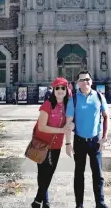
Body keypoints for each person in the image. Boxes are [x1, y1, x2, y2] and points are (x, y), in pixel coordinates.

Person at [65, 70, 110, 208]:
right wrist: (67, 143)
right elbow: (69, 122)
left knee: (98, 174)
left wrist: (104, 137)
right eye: (82, 80)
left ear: (91, 81)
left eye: (87, 79)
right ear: (78, 83)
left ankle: (100, 204)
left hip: (95, 141)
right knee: (79, 174)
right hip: (79, 141)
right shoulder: (73, 99)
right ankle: (79, 205)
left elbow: (106, 116)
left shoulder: (99, 96)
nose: (85, 82)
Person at [31, 78, 74, 208]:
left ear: (67, 90)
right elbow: (42, 127)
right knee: (42, 172)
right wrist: (61, 130)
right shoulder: (47, 105)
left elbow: (68, 126)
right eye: (57, 88)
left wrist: (68, 144)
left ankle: (41, 199)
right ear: (53, 90)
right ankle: (42, 200)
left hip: (56, 144)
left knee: (49, 172)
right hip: (41, 142)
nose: (60, 90)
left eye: (63, 88)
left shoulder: (68, 107)